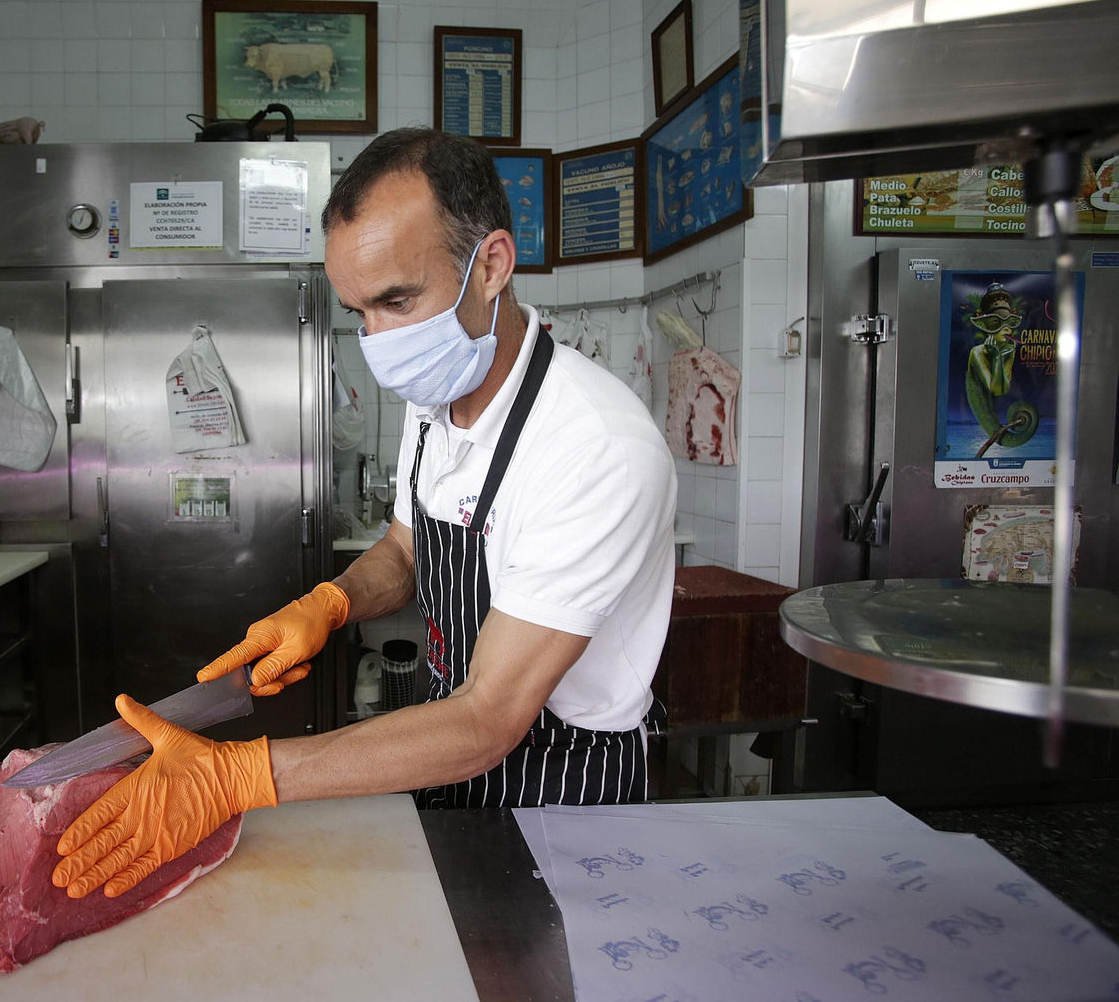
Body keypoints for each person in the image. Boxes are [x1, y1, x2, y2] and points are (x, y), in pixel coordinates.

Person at [51, 128, 677, 901]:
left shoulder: (595, 446)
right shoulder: (436, 392)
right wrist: (332, 603)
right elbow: (407, 550)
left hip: (566, 788)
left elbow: (490, 717)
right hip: (447, 751)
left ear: (491, 265)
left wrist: (238, 774)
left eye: (396, 301)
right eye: (358, 312)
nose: (380, 342)